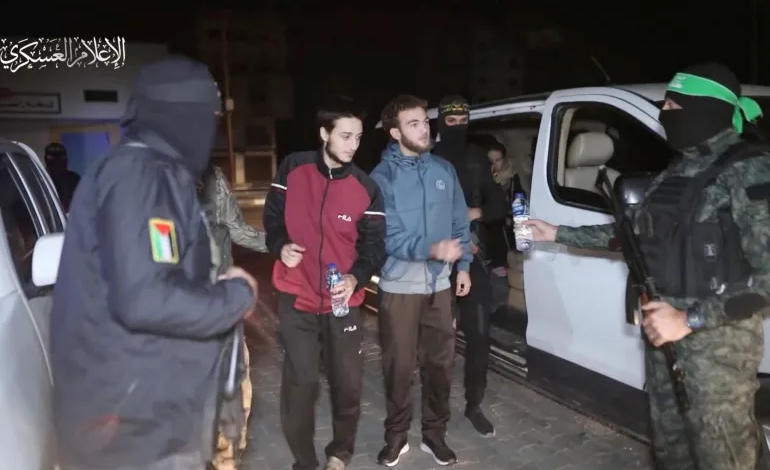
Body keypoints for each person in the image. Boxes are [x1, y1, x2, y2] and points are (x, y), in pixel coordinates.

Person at [524, 63, 770, 470]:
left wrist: (687, 319)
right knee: (671, 449)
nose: (665, 113)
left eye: (674, 105)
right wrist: (557, 232)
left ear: (707, 108)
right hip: (662, 334)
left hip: (716, 346)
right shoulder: (679, 169)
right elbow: (635, 235)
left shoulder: (749, 168)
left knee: (722, 455)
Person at [50, 56, 258, 470]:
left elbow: (156, 271)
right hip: (136, 433)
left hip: (143, 418)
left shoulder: (145, 170)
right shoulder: (141, 175)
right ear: (181, 114)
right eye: (211, 116)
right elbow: (146, 298)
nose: (213, 129)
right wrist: (237, 294)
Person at [263, 96, 386, 470]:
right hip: (296, 296)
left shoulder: (366, 188)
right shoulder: (293, 168)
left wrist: (356, 277)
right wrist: (280, 245)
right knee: (301, 384)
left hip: (342, 303)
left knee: (347, 384)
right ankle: (304, 461)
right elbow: (272, 218)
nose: (353, 145)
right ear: (324, 133)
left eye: (358, 137)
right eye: (345, 136)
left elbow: (374, 248)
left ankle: (340, 452)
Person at [370, 94, 472, 467]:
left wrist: (464, 265)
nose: (424, 129)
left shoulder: (444, 170)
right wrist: (432, 249)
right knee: (398, 368)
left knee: (441, 366)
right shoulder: (381, 178)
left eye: (425, 122)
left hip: (440, 286)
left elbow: (460, 221)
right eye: (413, 124)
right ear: (395, 132)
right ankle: (396, 438)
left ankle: (434, 435)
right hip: (399, 288)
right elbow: (388, 237)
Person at [432, 95, 507, 437]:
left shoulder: (477, 157)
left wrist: (475, 214)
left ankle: (474, 404)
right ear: (440, 122)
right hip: (434, 259)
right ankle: (434, 409)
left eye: (464, 121)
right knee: (436, 339)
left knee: (479, 334)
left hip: (472, 257)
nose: (458, 127)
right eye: (452, 121)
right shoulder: (427, 159)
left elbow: (498, 205)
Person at [196, 162, 268, 470]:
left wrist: (280, 242)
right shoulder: (154, 178)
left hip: (213, 307)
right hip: (190, 310)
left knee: (231, 392)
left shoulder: (211, 178)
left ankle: (223, 458)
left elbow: (237, 229)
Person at [43, 142, 80, 212]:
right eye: (54, 160)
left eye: (61, 159)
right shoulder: (39, 179)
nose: (57, 163)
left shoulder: (74, 179)